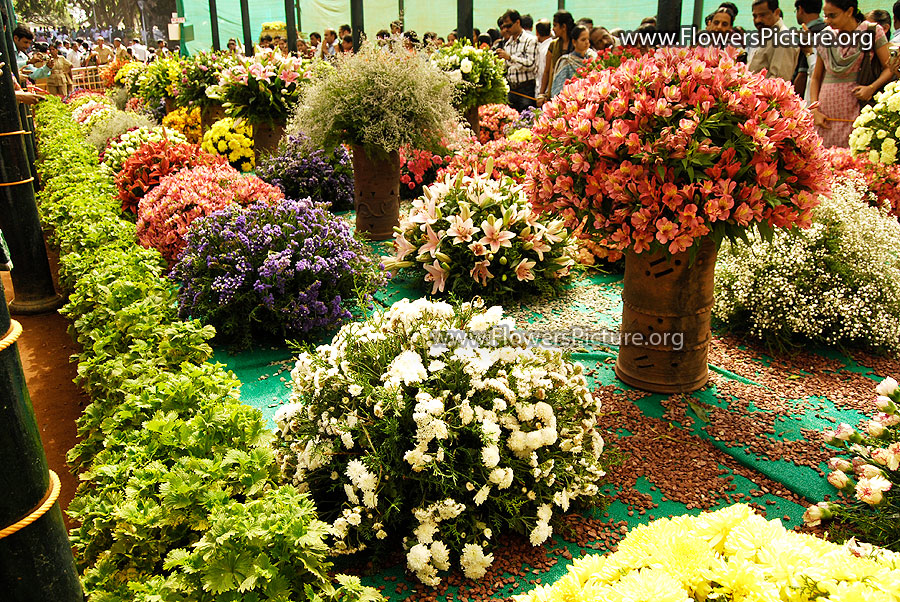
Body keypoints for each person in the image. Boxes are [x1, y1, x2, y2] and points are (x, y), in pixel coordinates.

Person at [810, 0, 893, 147]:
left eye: (832, 16)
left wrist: (872, 88)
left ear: (849, 11)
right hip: (825, 117)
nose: (827, 21)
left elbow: (889, 67)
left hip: (858, 111)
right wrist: (814, 110)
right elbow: (816, 77)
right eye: (826, 16)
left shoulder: (871, 31)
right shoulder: (826, 36)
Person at [496, 9, 538, 111]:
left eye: (509, 26)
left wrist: (510, 57)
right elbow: (506, 67)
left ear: (518, 22)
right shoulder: (508, 44)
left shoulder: (530, 40)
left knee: (526, 120)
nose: (506, 29)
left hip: (526, 89)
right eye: (504, 27)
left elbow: (531, 64)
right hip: (511, 89)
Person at [748, 0, 801, 80]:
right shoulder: (765, 33)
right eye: (755, 16)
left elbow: (778, 80)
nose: (758, 20)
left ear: (777, 12)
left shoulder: (784, 38)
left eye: (763, 15)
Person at [538, 10, 576, 106]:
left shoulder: (576, 44)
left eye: (555, 25)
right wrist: (541, 94)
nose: (553, 29)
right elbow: (547, 71)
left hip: (574, 94)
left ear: (564, 27)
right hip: (555, 92)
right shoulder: (553, 45)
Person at [550, 25, 597, 98]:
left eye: (588, 39)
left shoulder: (593, 58)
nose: (587, 42)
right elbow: (557, 90)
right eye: (583, 40)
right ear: (574, 42)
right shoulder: (566, 61)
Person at [793, 0, 826, 99]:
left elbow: (802, 73)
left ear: (800, 9)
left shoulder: (806, 35)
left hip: (810, 95)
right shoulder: (828, 30)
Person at [534, 20, 553, 98]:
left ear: (537, 33)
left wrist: (541, 93)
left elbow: (545, 72)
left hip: (544, 92)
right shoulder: (545, 45)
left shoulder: (546, 48)